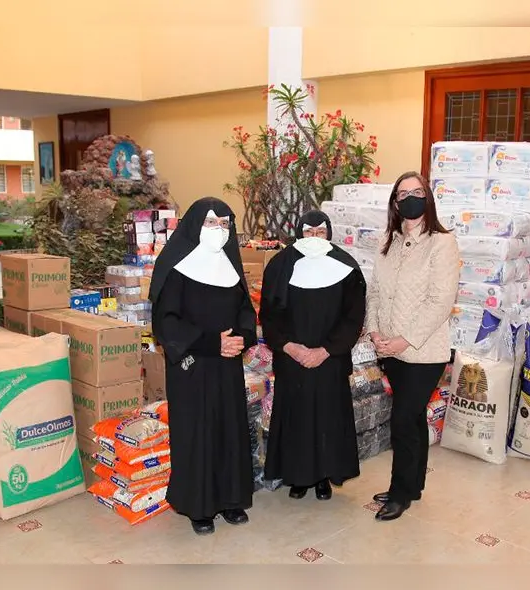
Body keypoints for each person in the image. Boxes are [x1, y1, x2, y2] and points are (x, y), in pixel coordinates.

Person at [149, 197, 258, 535]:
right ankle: (199, 506)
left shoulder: (229, 262)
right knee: (196, 434)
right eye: (212, 223)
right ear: (195, 224)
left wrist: (241, 336)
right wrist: (213, 342)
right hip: (193, 366)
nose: (219, 230)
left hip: (226, 366)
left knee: (228, 430)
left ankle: (230, 499)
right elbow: (167, 321)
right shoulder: (176, 265)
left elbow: (243, 307)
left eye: (225, 224)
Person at [365, 171, 460, 522]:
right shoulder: (386, 241)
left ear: (428, 198)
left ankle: (400, 492)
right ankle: (414, 483)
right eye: (403, 194)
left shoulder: (442, 243)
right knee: (414, 416)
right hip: (389, 348)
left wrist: (403, 340)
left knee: (402, 419)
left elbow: (440, 301)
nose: (410, 198)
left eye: (417, 192)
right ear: (394, 203)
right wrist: (375, 333)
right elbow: (374, 291)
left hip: (423, 351)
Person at [260, 210, 366, 501]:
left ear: (329, 233)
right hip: (292, 358)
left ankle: (323, 478)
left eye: (321, 232)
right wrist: (290, 347)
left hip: (330, 358)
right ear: (299, 233)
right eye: (309, 232)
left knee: (327, 420)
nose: (315, 238)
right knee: (297, 419)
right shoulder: (280, 266)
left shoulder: (347, 267)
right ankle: (298, 477)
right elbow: (269, 316)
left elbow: (354, 317)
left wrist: (326, 350)